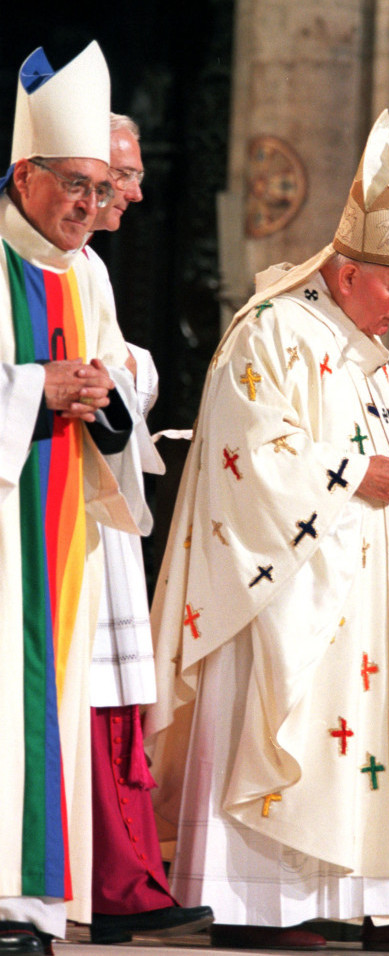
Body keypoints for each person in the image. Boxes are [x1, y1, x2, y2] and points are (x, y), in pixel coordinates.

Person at [145, 109, 389, 952]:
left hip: (370, 589)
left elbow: (375, 442)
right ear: (343, 273)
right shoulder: (271, 330)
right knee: (292, 732)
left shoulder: (357, 346)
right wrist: (349, 475)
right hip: (293, 586)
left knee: (377, 740)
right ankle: (260, 908)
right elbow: (248, 449)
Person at [0, 41, 155, 955]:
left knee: (42, 707)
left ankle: (28, 908)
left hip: (60, 529)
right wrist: (30, 391)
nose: (92, 211)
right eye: (77, 188)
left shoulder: (85, 269)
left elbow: (119, 383)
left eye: (103, 192)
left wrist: (103, 394)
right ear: (27, 171)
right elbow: (35, 379)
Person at [84, 113, 213, 945]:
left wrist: (128, 370)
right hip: (53, 504)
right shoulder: (33, 263)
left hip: (98, 500)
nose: (134, 191)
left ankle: (126, 878)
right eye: (117, 178)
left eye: (126, 178)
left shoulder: (85, 266)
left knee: (115, 698)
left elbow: (115, 361)